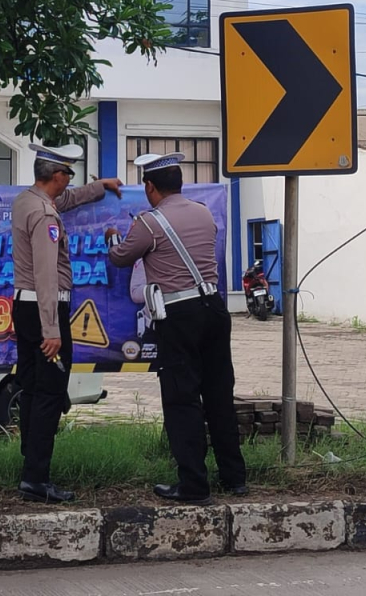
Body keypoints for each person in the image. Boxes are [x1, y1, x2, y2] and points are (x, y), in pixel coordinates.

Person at [105, 152, 247, 504]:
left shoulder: (149, 222)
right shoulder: (204, 213)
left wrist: (111, 238)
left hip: (179, 315)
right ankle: (235, 478)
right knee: (218, 394)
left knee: (182, 398)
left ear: (150, 187)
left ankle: (194, 485)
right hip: (214, 308)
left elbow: (122, 256)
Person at [10, 143, 121, 503]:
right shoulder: (44, 215)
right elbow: (45, 274)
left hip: (24, 308)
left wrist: (98, 187)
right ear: (56, 176)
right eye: (68, 174)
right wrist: (52, 329)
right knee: (50, 393)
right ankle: (37, 479)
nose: (68, 180)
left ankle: (30, 465)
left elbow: (68, 200)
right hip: (46, 310)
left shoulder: (28, 201)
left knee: (31, 386)